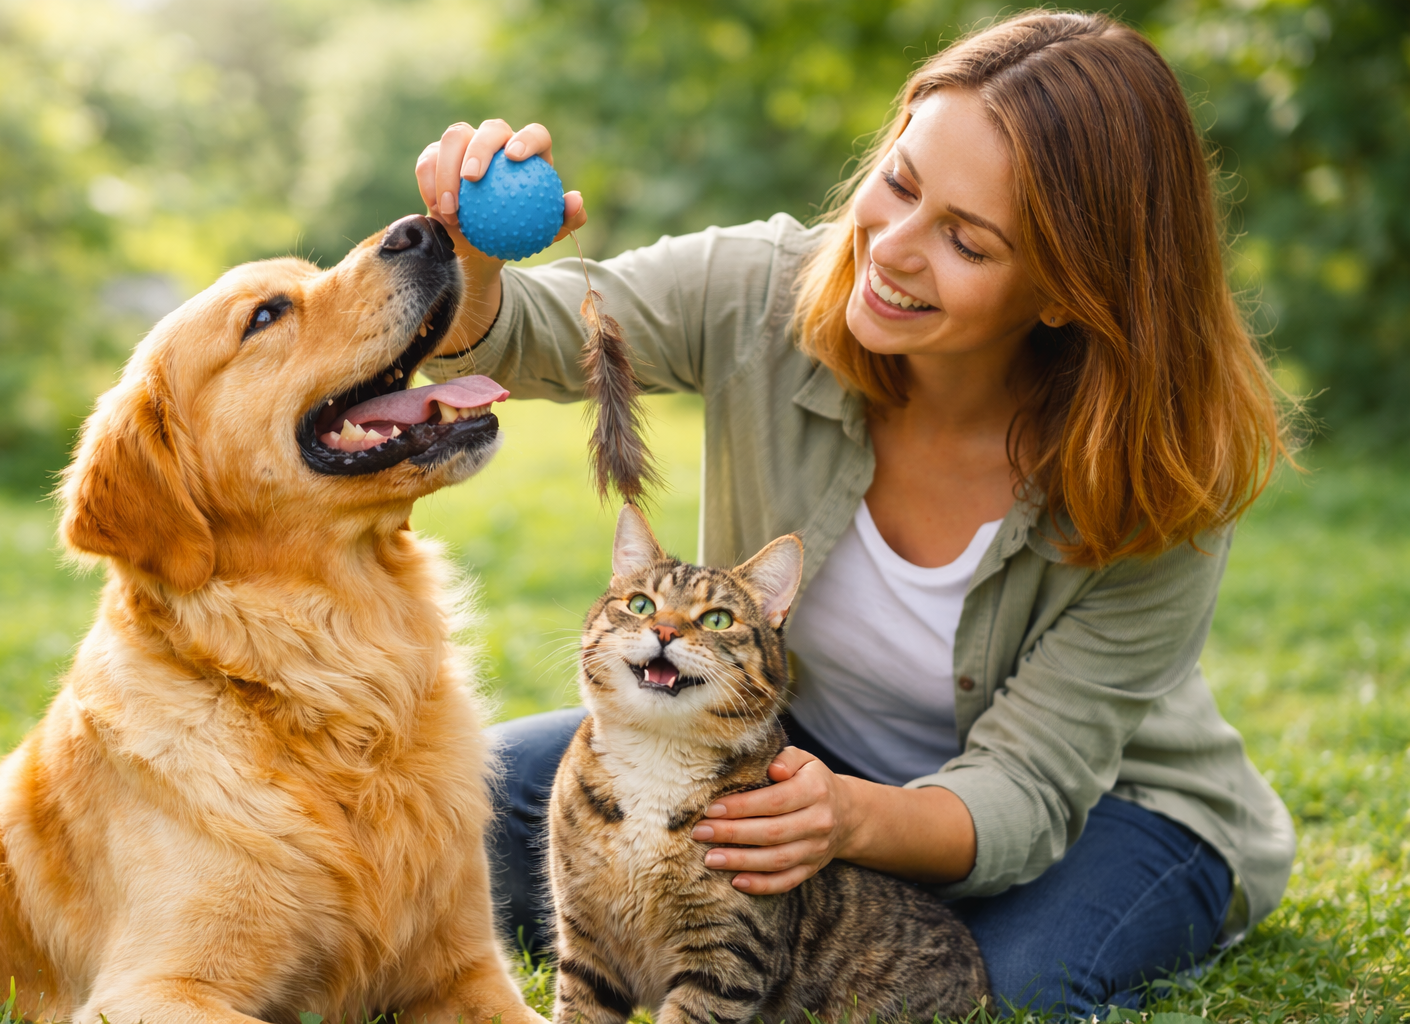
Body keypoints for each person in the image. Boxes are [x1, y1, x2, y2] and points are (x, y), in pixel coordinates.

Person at [413, 10, 1296, 1016]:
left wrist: (848, 822)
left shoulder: (1162, 474)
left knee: (1004, 986)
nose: (893, 248)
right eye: (902, 184)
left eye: (966, 239)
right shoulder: (765, 290)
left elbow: (1029, 790)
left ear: (1067, 291)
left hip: (1110, 811)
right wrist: (470, 275)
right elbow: (542, 329)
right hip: (783, 755)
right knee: (463, 804)